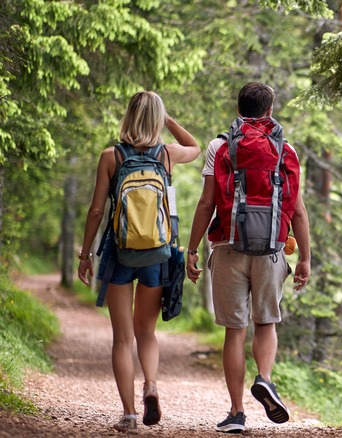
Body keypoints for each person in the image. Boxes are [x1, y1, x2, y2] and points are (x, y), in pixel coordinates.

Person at [186, 82, 311, 433]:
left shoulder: (219, 146)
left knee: (233, 330)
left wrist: (192, 249)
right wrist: (304, 259)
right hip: (272, 247)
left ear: (238, 108)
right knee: (266, 322)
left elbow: (206, 202)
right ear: (270, 111)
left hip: (227, 247)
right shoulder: (286, 149)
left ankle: (237, 413)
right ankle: (266, 379)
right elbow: (298, 210)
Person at [77, 91, 201, 432]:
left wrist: (85, 255)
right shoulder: (167, 154)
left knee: (122, 338)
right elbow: (196, 146)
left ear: (128, 116)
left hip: (120, 253)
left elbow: (97, 211)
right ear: (157, 119)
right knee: (146, 331)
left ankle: (129, 415)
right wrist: (168, 121)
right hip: (157, 254)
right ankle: (151, 385)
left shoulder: (111, 156)